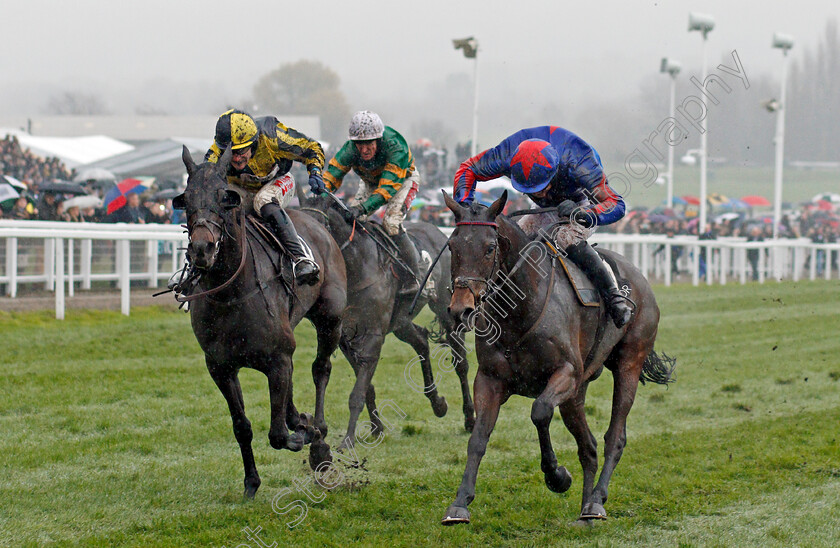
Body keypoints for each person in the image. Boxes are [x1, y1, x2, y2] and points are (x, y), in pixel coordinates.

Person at [453, 125, 632, 328]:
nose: (540, 194)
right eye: (531, 190)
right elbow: (467, 169)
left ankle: (614, 298)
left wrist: (582, 213)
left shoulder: (578, 161)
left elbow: (617, 204)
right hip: (540, 210)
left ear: (555, 171)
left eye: (542, 187)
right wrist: (465, 207)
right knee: (514, 242)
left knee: (566, 239)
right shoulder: (506, 155)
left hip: (581, 203)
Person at [204, 109, 325, 285]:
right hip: (242, 188)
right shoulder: (216, 150)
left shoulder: (273, 136)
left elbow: (312, 148)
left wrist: (315, 172)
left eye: (241, 151)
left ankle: (300, 258)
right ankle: (194, 267)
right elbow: (205, 180)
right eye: (231, 153)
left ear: (253, 143)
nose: (236, 159)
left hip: (278, 181)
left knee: (263, 200)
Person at [323, 111, 422, 295]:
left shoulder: (395, 146)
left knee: (391, 223)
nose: (364, 149)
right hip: (371, 181)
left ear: (378, 139)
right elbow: (332, 174)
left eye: (369, 143)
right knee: (349, 222)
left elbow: (386, 190)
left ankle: (413, 276)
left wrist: (362, 208)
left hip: (402, 181)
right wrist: (320, 194)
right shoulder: (350, 149)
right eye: (359, 144)